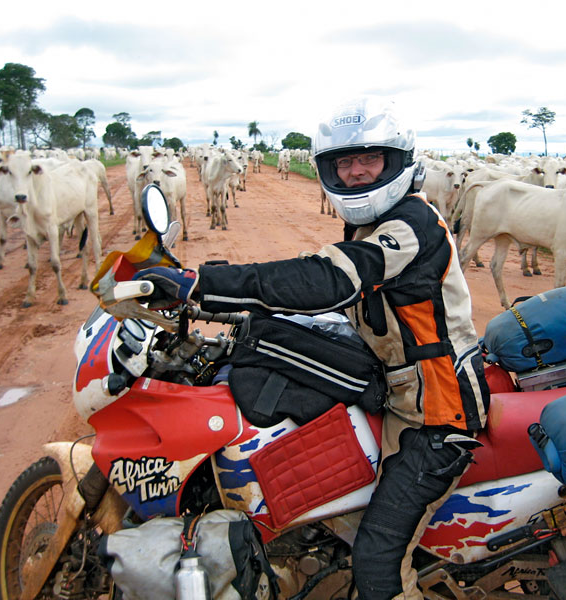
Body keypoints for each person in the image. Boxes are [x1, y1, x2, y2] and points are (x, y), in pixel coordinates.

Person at [136, 96, 490, 599]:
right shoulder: (370, 225)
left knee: (378, 563)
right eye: (343, 163)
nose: (356, 173)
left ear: (397, 162)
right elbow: (326, 292)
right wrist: (239, 305)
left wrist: (202, 282)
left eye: (369, 159)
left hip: (436, 418)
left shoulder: (414, 225)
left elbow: (326, 278)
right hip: (398, 395)